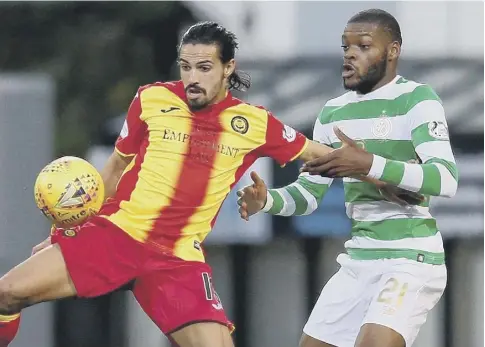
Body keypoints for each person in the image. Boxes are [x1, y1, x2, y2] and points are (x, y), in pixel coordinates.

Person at [0, 21, 394, 347]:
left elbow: (318, 154)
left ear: (227, 68)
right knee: (6, 293)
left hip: (177, 260)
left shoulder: (254, 124)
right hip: (116, 236)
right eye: (185, 66)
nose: (191, 77)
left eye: (203, 67)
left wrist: (378, 169)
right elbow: (116, 167)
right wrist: (73, 229)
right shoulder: (150, 99)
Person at [237, 9, 458, 347]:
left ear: (393, 51)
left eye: (364, 46)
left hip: (410, 259)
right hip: (359, 261)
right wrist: (266, 200)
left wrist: (368, 163)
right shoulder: (332, 112)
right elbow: (309, 196)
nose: (351, 54)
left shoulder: (417, 99)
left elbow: (445, 179)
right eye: (346, 47)